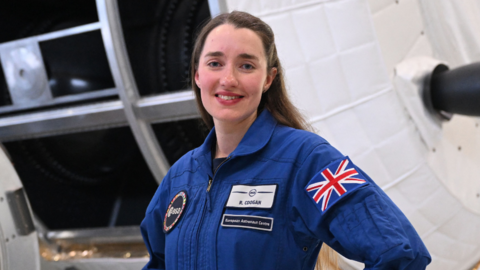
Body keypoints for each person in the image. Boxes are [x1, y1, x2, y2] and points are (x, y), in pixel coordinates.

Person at [140, 11, 431, 270]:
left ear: (269, 79)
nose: (228, 79)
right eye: (215, 63)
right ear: (198, 75)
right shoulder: (179, 177)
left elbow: (401, 254)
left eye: (246, 66)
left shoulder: (307, 160)